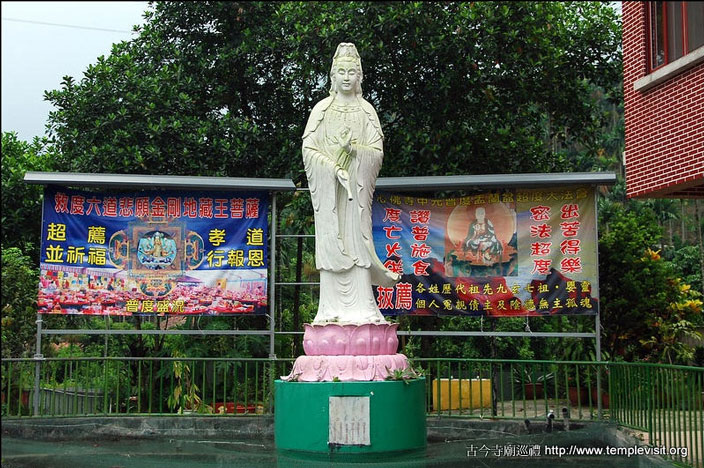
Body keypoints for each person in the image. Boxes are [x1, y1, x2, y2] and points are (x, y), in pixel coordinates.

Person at [302, 43, 400, 325]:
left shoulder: (367, 111)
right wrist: (333, 168)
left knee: (357, 240)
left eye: (352, 72)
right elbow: (309, 150)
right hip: (331, 194)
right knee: (332, 240)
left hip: (355, 196)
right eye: (341, 72)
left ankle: (365, 308)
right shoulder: (321, 110)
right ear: (332, 76)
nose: (346, 77)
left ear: (360, 77)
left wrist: (354, 151)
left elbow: (377, 153)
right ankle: (328, 310)